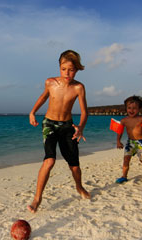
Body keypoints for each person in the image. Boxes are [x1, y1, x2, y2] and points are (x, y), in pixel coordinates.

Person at [27, 50, 90, 213]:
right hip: (49, 124)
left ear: (76, 69)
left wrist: (81, 127)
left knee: (74, 166)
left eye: (71, 69)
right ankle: (37, 199)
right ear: (59, 67)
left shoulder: (78, 87)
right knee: (49, 161)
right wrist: (33, 112)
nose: (67, 73)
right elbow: (43, 97)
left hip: (67, 126)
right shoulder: (50, 82)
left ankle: (79, 187)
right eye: (63, 69)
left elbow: (84, 112)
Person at [116, 95, 142, 183]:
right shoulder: (124, 120)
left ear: (139, 109)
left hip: (141, 143)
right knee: (126, 159)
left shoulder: (141, 119)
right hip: (130, 142)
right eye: (129, 108)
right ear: (126, 108)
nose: (131, 110)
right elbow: (120, 131)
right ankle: (124, 176)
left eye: (134, 108)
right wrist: (118, 141)